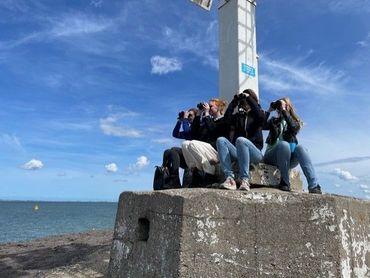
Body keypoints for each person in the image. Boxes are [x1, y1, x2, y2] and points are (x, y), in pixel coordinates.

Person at [263, 97, 322, 194]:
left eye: (283, 105)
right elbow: (262, 125)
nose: (280, 107)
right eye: (280, 105)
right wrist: (269, 110)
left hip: (288, 159)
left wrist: (284, 111)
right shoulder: (274, 121)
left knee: (301, 148)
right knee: (283, 144)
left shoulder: (295, 122)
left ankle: (314, 185)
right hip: (271, 157)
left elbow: (294, 128)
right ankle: (285, 182)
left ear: (288, 107)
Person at [216, 89, 265, 190]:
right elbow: (226, 121)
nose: (244, 102)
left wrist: (248, 97)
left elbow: (260, 116)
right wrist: (233, 102)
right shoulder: (239, 117)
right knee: (221, 140)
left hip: (255, 153)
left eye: (247, 100)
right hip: (239, 151)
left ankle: (245, 180)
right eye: (243, 101)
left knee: (241, 140)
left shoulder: (258, 114)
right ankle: (230, 179)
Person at [182, 98, 228, 185]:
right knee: (185, 144)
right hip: (207, 149)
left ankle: (210, 174)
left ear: (219, 107)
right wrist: (199, 113)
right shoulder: (208, 121)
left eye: (211, 106)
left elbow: (213, 130)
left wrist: (206, 114)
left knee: (193, 144)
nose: (208, 108)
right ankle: (196, 172)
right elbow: (194, 133)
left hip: (218, 150)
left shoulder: (224, 120)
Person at [161, 108, 197, 189]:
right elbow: (175, 134)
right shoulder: (187, 126)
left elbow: (187, 132)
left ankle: (173, 179)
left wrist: (185, 119)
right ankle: (171, 178)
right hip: (188, 157)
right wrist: (179, 121)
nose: (188, 117)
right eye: (188, 115)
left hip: (196, 158)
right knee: (168, 152)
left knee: (174, 149)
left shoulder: (196, 127)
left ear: (196, 116)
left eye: (190, 115)